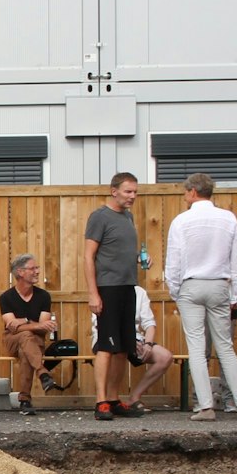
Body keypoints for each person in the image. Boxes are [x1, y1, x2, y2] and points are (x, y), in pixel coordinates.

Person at [165, 173, 237, 422]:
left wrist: (175, 291)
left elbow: (174, 261)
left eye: (185, 192)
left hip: (191, 285)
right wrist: (235, 294)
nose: (185, 197)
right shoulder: (228, 219)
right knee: (225, 347)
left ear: (193, 192)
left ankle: (205, 406)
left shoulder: (181, 221)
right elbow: (236, 261)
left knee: (196, 347)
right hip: (219, 285)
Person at [85, 172, 142, 421]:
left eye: (135, 192)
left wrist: (141, 258)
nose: (132, 196)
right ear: (114, 191)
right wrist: (93, 293)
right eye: (128, 191)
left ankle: (114, 398)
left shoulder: (128, 217)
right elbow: (88, 256)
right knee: (107, 347)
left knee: (123, 349)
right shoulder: (99, 217)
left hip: (128, 286)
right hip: (107, 288)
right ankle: (100, 403)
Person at [90, 287, 177, 411]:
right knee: (115, 349)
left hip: (135, 337)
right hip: (105, 336)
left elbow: (149, 323)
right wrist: (128, 339)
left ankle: (134, 397)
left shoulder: (139, 292)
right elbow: (99, 325)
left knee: (165, 357)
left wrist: (148, 344)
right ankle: (106, 400)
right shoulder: (105, 289)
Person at [0, 254, 57, 416]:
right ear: (20, 272)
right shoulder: (6, 297)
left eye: (37, 268)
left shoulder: (43, 296)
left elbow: (44, 328)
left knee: (27, 346)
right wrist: (31, 322)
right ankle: (42, 372)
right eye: (33, 268)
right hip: (12, 340)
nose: (37, 271)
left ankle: (25, 400)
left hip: (35, 342)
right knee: (25, 337)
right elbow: (12, 327)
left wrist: (23, 323)